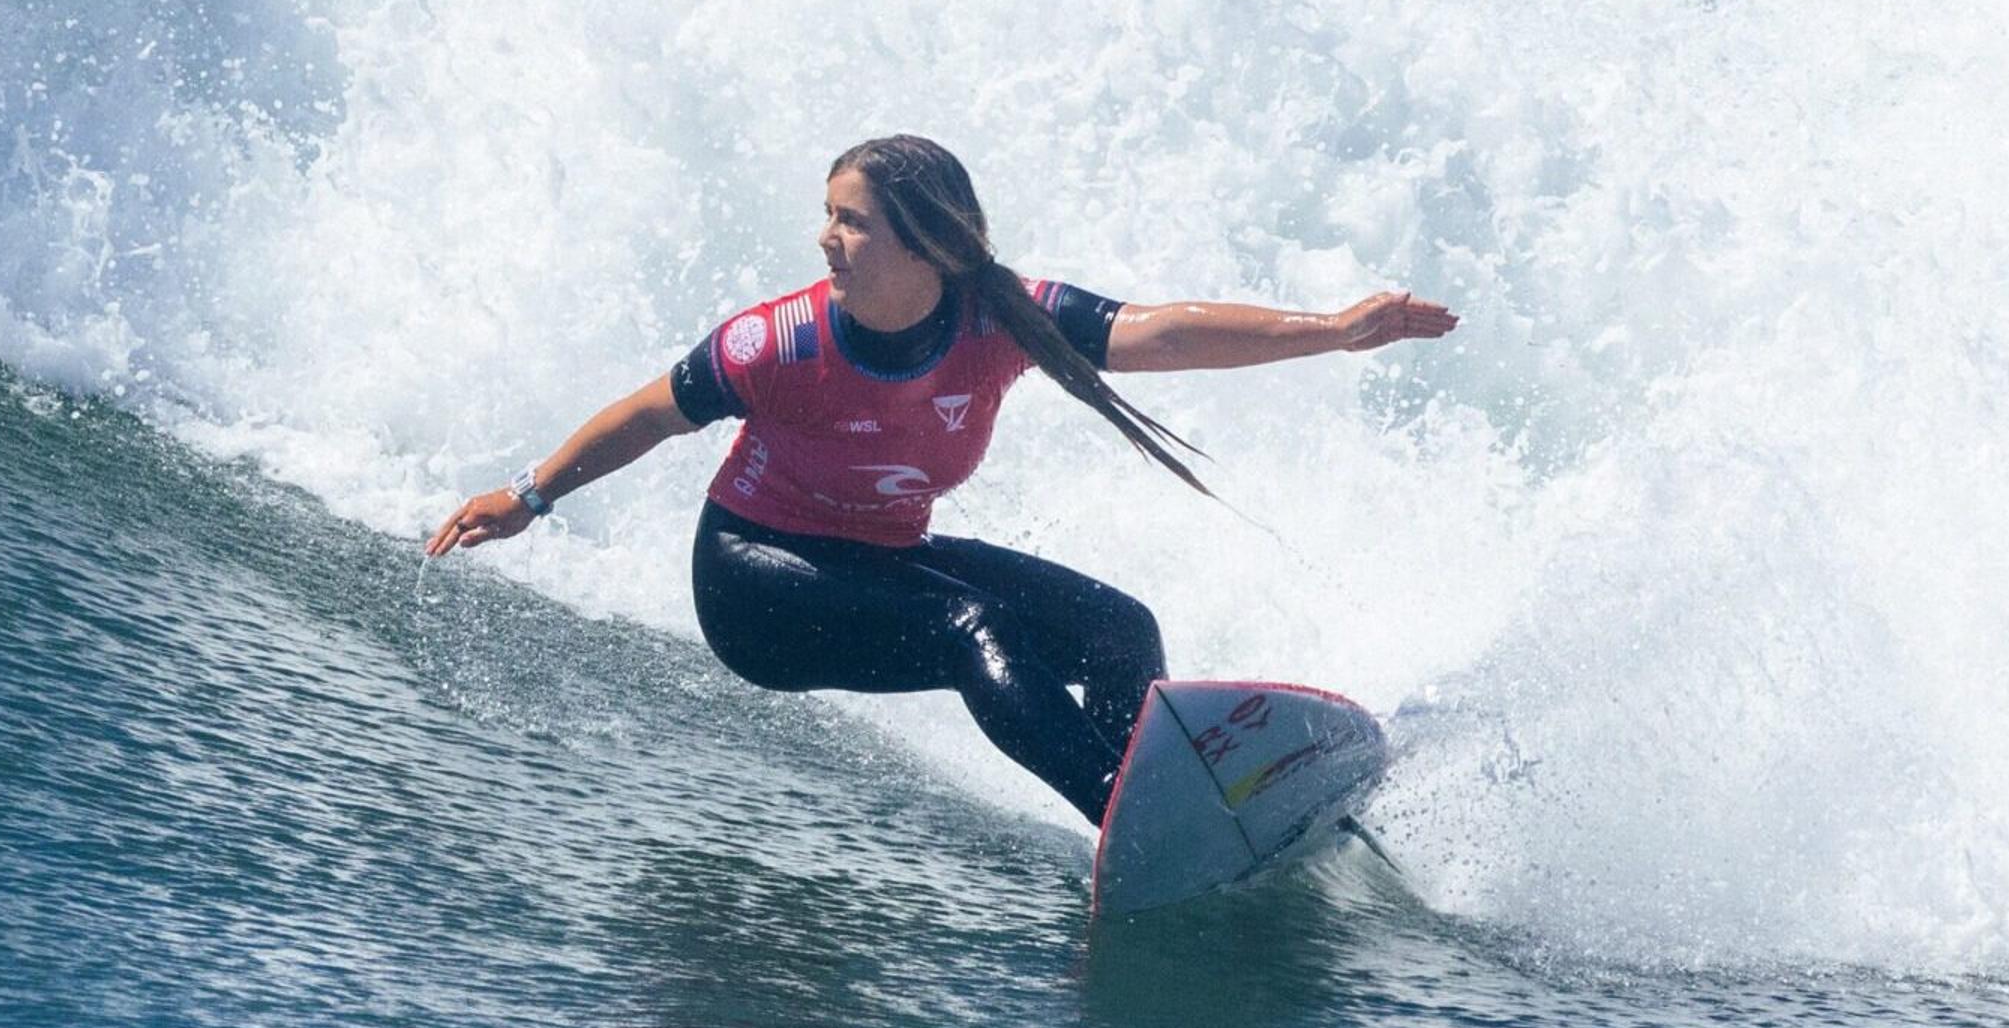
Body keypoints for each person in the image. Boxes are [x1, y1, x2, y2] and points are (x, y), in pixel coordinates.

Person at [422, 134, 1458, 825]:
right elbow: (647, 415)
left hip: (881, 562)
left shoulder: (1000, 316)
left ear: (924, 239)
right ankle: (1125, 818)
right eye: (827, 214)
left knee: (1118, 629)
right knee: (979, 633)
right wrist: (531, 494)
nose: (827, 236)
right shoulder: (772, 343)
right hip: (756, 585)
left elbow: (1162, 330)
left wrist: (1333, 330)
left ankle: (1159, 827)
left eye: (853, 219)